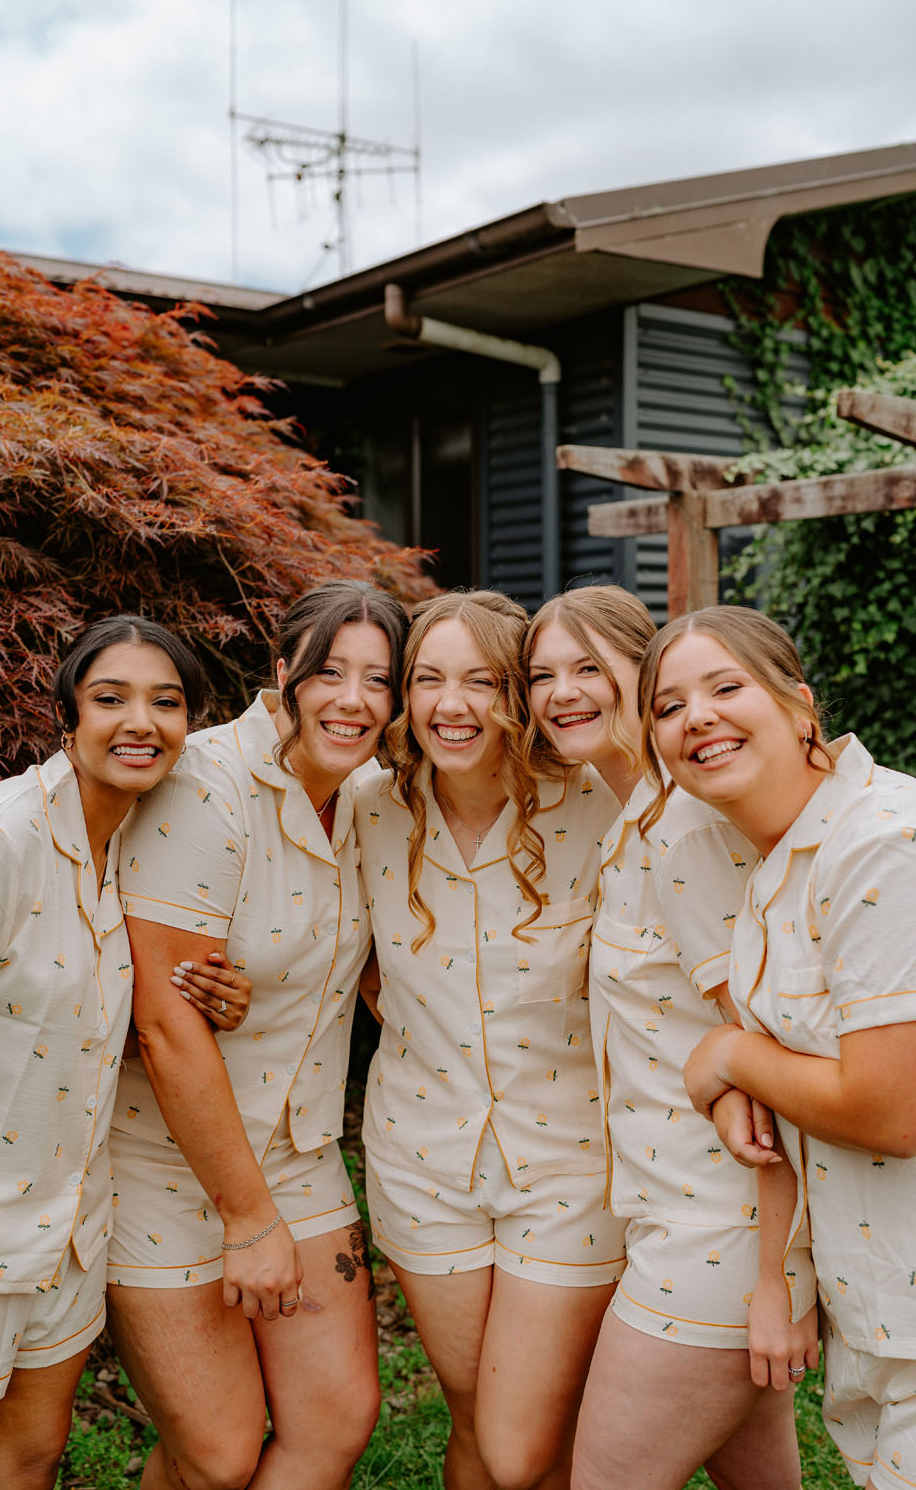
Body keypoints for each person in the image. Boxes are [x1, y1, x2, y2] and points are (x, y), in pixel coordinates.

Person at [105, 580, 409, 1490]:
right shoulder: (206, 786)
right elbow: (162, 1019)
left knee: (337, 1419)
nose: (352, 701)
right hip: (166, 1160)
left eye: (379, 681)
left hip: (301, 1149)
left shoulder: (365, 798)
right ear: (284, 675)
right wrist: (247, 1220)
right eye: (328, 672)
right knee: (220, 1449)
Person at [0, 614, 230, 1490]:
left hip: (66, 1231)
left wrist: (221, 996)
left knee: (31, 1457)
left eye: (166, 702)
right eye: (110, 698)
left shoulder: (129, 844)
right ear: (67, 715)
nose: (141, 721)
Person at [523, 587, 815, 1490]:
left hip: (714, 1236)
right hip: (678, 1214)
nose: (561, 693)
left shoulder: (687, 832)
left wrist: (776, 1283)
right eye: (540, 675)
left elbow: (775, 1061)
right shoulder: (637, 819)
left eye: (587, 668)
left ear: (643, 678)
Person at [355, 589, 625, 1490]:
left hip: (570, 1165)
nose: (450, 705)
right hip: (420, 1160)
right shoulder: (366, 808)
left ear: (517, 692)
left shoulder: (596, 806)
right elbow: (323, 940)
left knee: (519, 1441)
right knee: (480, 1419)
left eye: (479, 680)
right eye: (428, 679)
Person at [642, 605, 916, 1490]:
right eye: (669, 706)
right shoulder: (773, 867)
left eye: (726, 687)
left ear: (802, 705)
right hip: (875, 1297)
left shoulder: (880, 847)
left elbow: (889, 1108)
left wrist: (727, 1058)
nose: (698, 718)